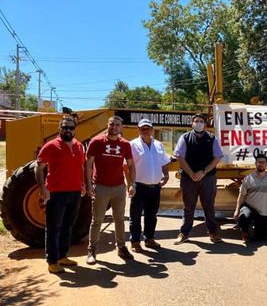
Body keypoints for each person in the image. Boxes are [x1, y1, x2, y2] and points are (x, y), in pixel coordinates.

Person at [35, 116, 86, 274]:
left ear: (75, 129)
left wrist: (83, 184)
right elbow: (39, 167)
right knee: (53, 228)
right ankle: (52, 261)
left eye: (71, 127)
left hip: (75, 192)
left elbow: (81, 167)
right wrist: (42, 188)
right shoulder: (50, 146)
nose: (68, 130)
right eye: (65, 127)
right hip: (56, 194)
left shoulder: (79, 146)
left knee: (67, 227)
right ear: (59, 128)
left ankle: (63, 256)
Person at [86, 116, 136, 264]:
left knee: (119, 219)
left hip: (119, 188)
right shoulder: (96, 142)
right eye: (112, 124)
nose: (114, 127)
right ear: (107, 125)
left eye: (117, 125)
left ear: (121, 128)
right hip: (100, 187)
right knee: (97, 221)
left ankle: (121, 247)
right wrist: (89, 185)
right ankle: (92, 250)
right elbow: (88, 165)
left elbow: (131, 165)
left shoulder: (125, 145)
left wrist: (132, 184)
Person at [174, 113, 224, 244]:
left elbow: (218, 157)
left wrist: (204, 172)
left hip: (208, 178)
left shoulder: (212, 139)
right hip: (188, 178)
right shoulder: (184, 137)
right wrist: (191, 173)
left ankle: (213, 233)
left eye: (201, 121)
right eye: (196, 121)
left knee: (209, 206)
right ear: (192, 124)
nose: (199, 123)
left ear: (205, 124)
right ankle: (184, 233)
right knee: (188, 207)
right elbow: (179, 156)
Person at [128, 118, 171, 253]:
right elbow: (127, 166)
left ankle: (149, 239)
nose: (145, 130)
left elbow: (164, 161)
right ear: (138, 130)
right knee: (135, 216)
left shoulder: (159, 145)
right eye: (142, 128)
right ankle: (135, 241)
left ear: (152, 129)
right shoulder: (132, 145)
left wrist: (166, 175)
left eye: (148, 128)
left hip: (155, 187)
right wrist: (130, 184)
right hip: (139, 186)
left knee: (151, 215)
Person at [233, 153, 267, 243]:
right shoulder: (248, 178)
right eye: (259, 162)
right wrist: (237, 210)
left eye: (263, 162)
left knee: (260, 238)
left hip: (264, 212)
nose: (261, 164)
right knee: (244, 217)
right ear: (255, 163)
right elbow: (242, 195)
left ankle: (258, 228)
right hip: (249, 207)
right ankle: (244, 231)